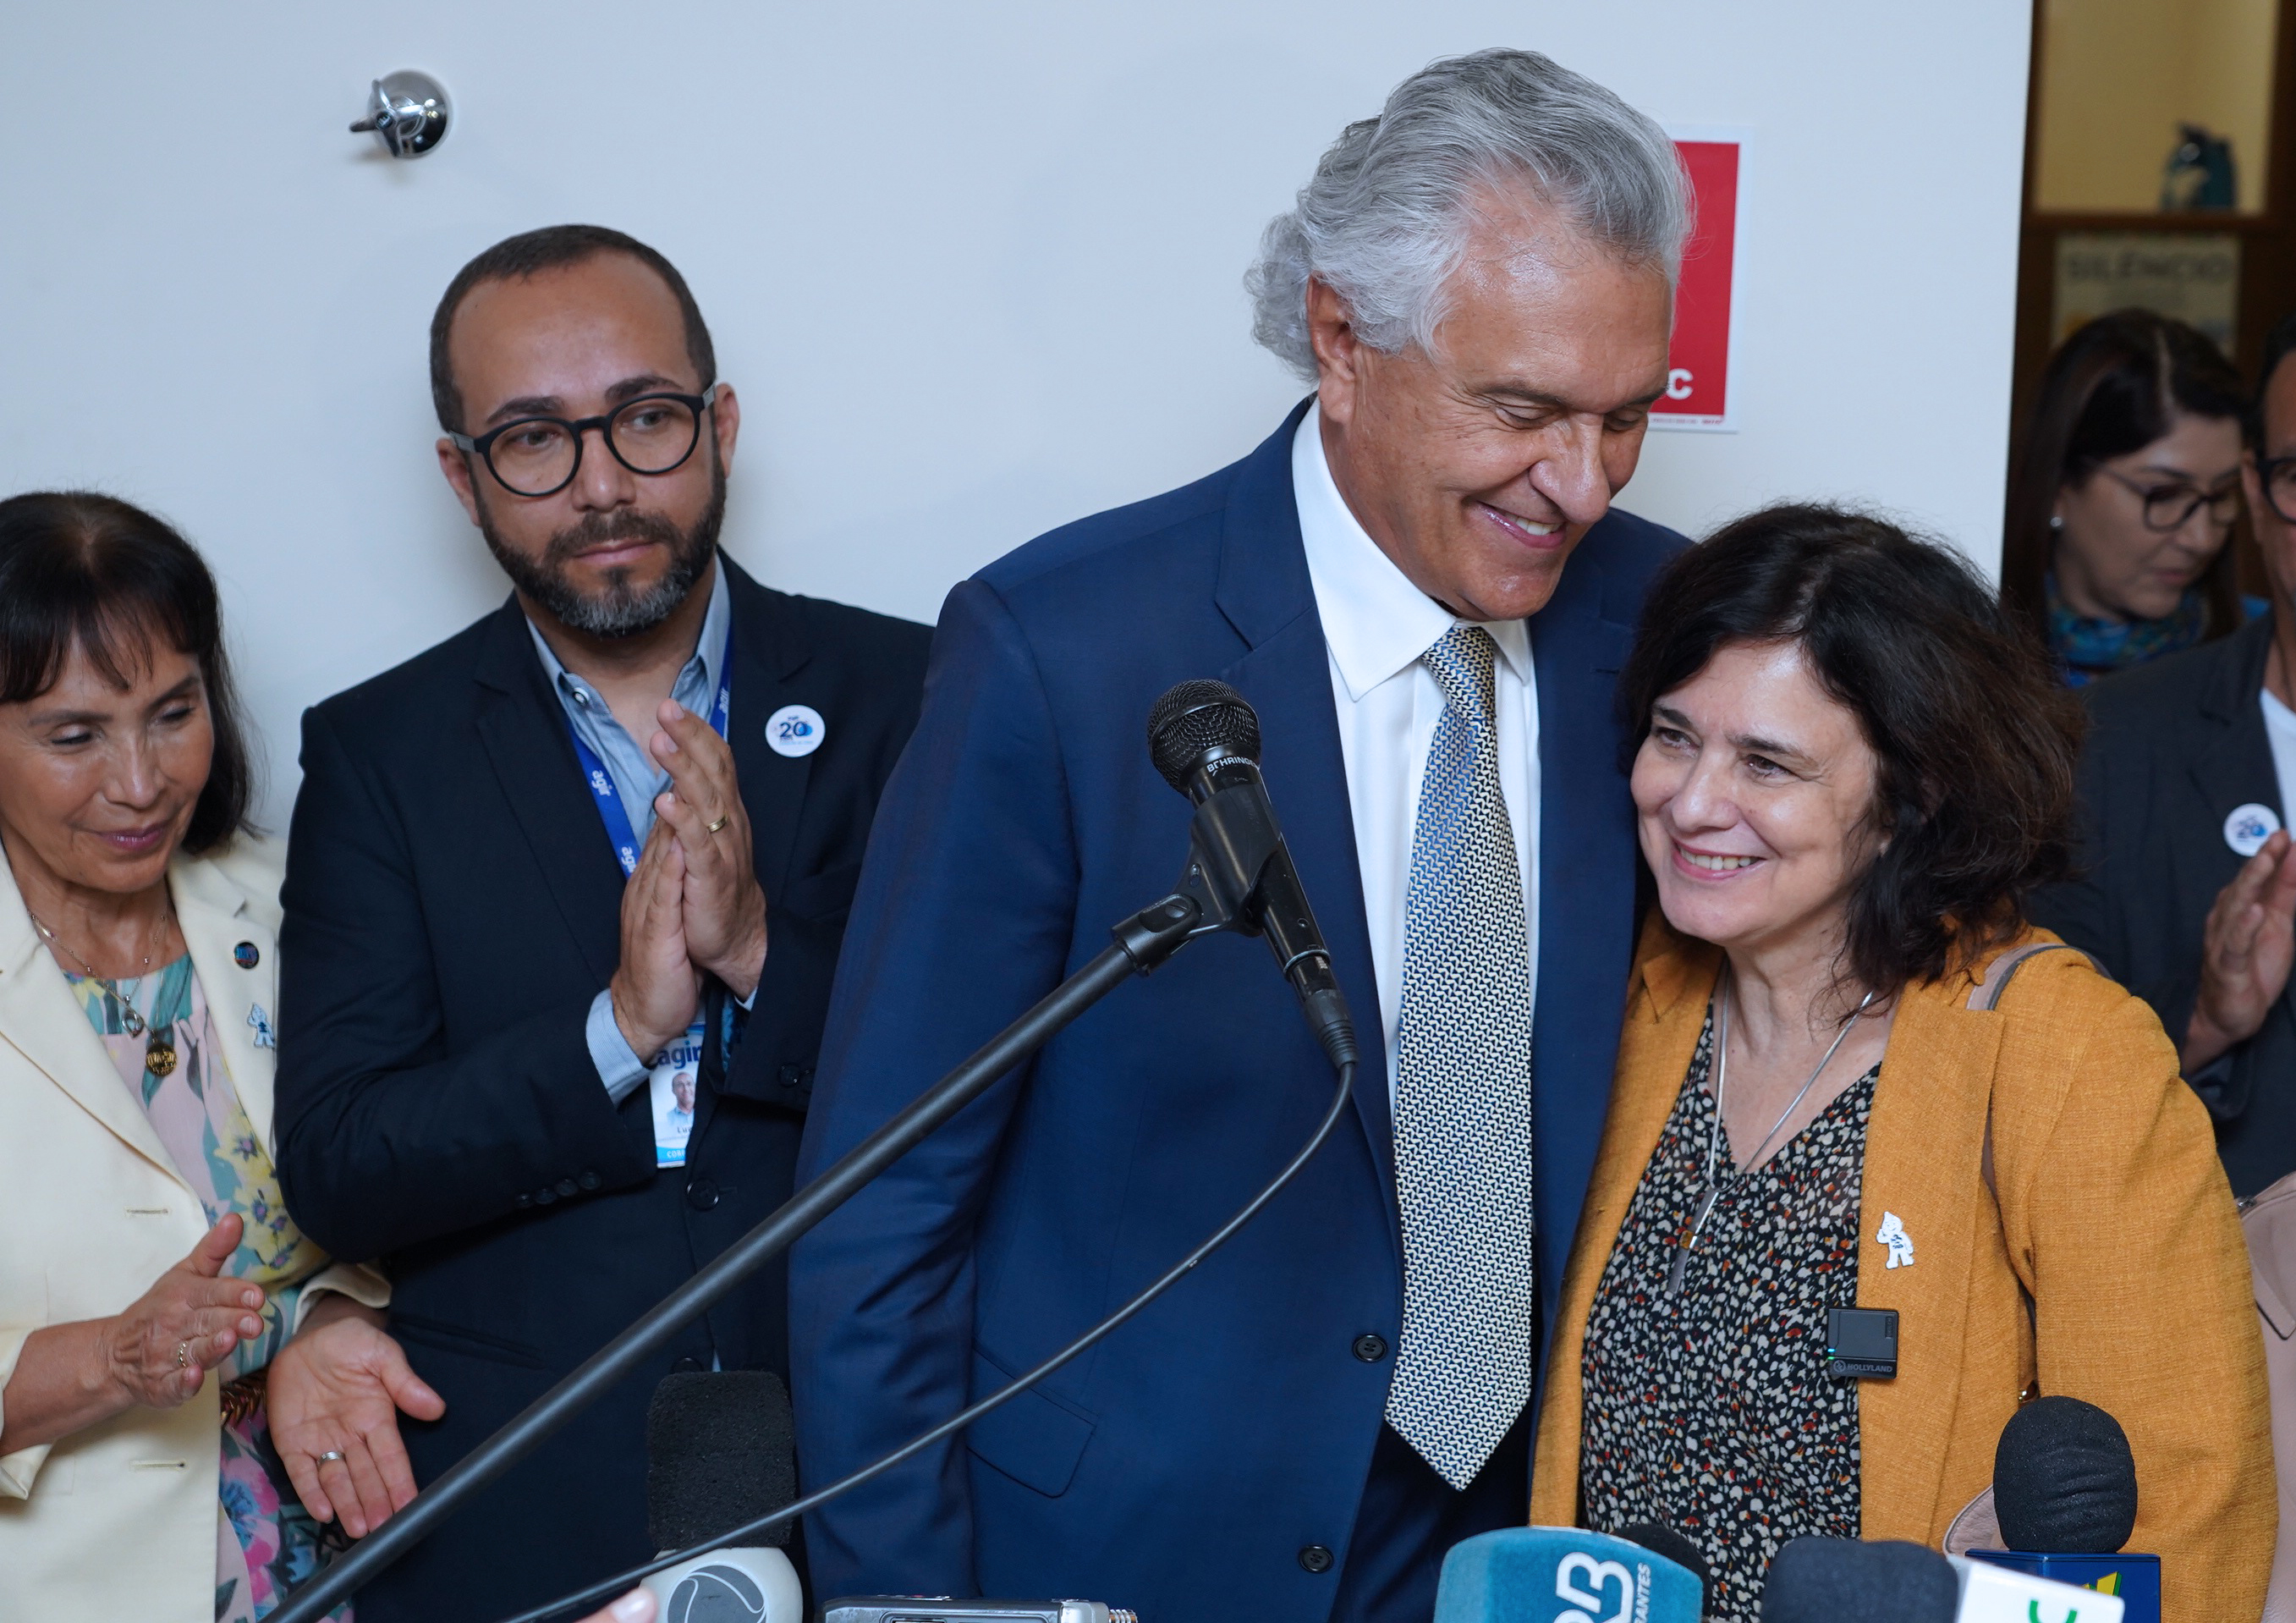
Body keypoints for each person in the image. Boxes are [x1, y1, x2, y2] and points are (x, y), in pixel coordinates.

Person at [790, 50, 1690, 1623]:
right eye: (1523, 409)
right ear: (1342, 339)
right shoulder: (1061, 651)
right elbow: (881, 1205)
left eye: (1624, 418)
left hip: (1515, 1555)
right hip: (1121, 1554)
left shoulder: (1669, 625)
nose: (1580, 484)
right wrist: (909, 1609)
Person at [272, 226, 932, 1622]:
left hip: (882, 1465)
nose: (601, 484)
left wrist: (755, 952)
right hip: (527, 1503)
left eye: (644, 417)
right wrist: (618, 1031)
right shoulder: (382, 754)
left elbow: (1015, 1076)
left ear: (720, 424)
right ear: (460, 476)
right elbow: (343, 1164)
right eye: (532, 439)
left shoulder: (915, 689)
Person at [1530, 504, 2273, 1620]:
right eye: (1673, 735)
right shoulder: (1630, 997)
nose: (1690, 802)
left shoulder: (2061, 1053)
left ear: (1910, 796)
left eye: (1765, 762)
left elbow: (2184, 1522)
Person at [0, 492, 397, 1622]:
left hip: (354, 1551)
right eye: (74, 735)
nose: (140, 781)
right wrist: (114, 1358)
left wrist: (335, 1314)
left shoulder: (305, 896)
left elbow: (417, 1184)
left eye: (172, 713)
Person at [2032, 311, 2296, 1197]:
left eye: (2213, 499)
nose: (2196, 534)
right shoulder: (2087, 733)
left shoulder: (2240, 646)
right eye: (2162, 494)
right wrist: (2207, 1012)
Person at [2001, 308, 2250, 685]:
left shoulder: (2270, 653)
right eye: (2163, 494)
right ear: (2059, 487)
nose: (2202, 539)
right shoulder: (1969, 658)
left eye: (2221, 495)